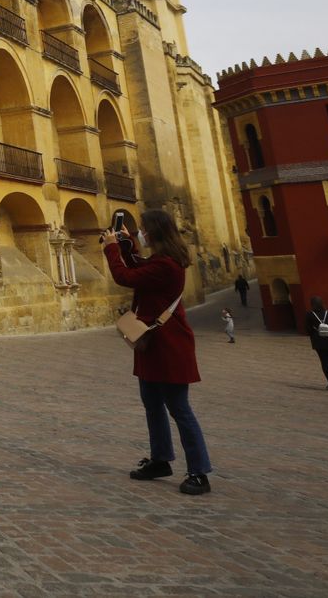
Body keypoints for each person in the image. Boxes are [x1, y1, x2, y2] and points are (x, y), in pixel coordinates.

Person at [101, 208, 214, 496]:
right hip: (150, 343)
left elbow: (125, 276)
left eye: (144, 230)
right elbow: (138, 267)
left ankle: (199, 471)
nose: (141, 232)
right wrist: (127, 245)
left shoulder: (168, 265)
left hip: (169, 345)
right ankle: (161, 459)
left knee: (180, 409)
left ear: (157, 232)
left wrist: (112, 249)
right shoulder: (161, 261)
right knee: (152, 404)